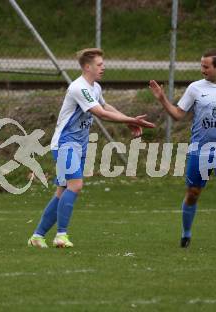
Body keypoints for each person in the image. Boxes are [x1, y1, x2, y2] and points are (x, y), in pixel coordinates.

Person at [28, 48, 155, 248]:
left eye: (103, 64)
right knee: (75, 186)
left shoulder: (95, 87)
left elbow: (106, 107)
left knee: (62, 192)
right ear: (87, 67)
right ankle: (61, 235)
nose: (103, 67)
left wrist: (127, 119)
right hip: (65, 143)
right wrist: (128, 120)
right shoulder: (79, 88)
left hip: (79, 145)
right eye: (99, 64)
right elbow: (100, 114)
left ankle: (37, 236)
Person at [149, 48, 216, 251]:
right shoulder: (195, 88)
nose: (202, 70)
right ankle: (186, 234)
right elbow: (178, 115)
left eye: (205, 66)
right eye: (201, 66)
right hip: (200, 150)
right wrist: (162, 99)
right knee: (193, 193)